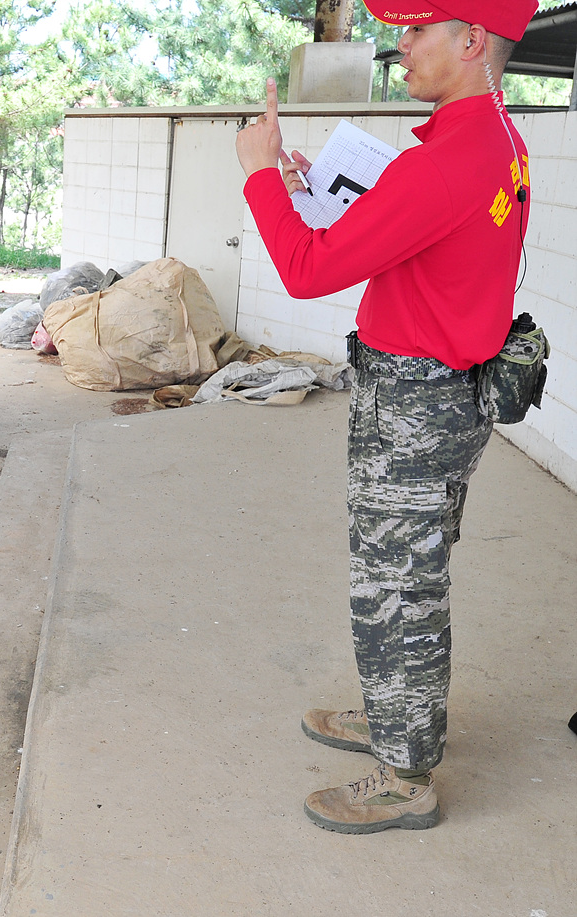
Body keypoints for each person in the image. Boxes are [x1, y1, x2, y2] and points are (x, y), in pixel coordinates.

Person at [234, 0, 536, 833]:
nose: (399, 46)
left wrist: (260, 173)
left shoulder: (442, 165)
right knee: (410, 569)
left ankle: (406, 775)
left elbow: (305, 271)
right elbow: (406, 242)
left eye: (416, 30)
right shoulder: (493, 140)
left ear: (471, 41)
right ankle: (394, 710)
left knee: (399, 586)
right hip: (447, 393)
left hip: (413, 403)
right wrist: (305, 189)